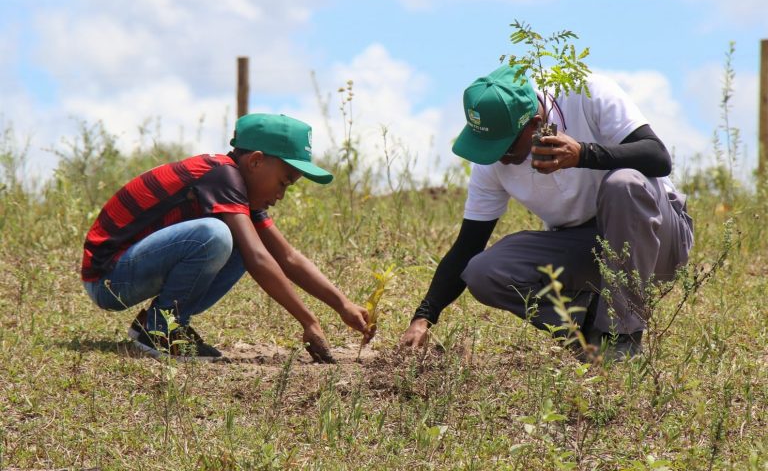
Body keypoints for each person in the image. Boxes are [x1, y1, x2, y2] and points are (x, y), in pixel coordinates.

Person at [400, 65, 694, 362]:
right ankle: (586, 333)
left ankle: (622, 337)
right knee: (484, 271)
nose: (498, 156)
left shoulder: (586, 92)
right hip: (586, 249)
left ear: (535, 123)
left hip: (658, 239)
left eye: (505, 146)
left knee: (624, 184)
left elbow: (658, 157)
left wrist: (583, 154)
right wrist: (424, 316)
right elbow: (467, 247)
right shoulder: (491, 163)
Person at [82, 113, 373, 362]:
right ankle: (162, 328)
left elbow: (287, 257)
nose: (281, 195)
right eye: (283, 182)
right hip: (108, 279)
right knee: (216, 235)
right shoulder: (222, 175)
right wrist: (308, 321)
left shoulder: (240, 195)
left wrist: (342, 304)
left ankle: (157, 323)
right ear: (256, 161)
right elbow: (259, 259)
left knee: (240, 243)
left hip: (129, 271)